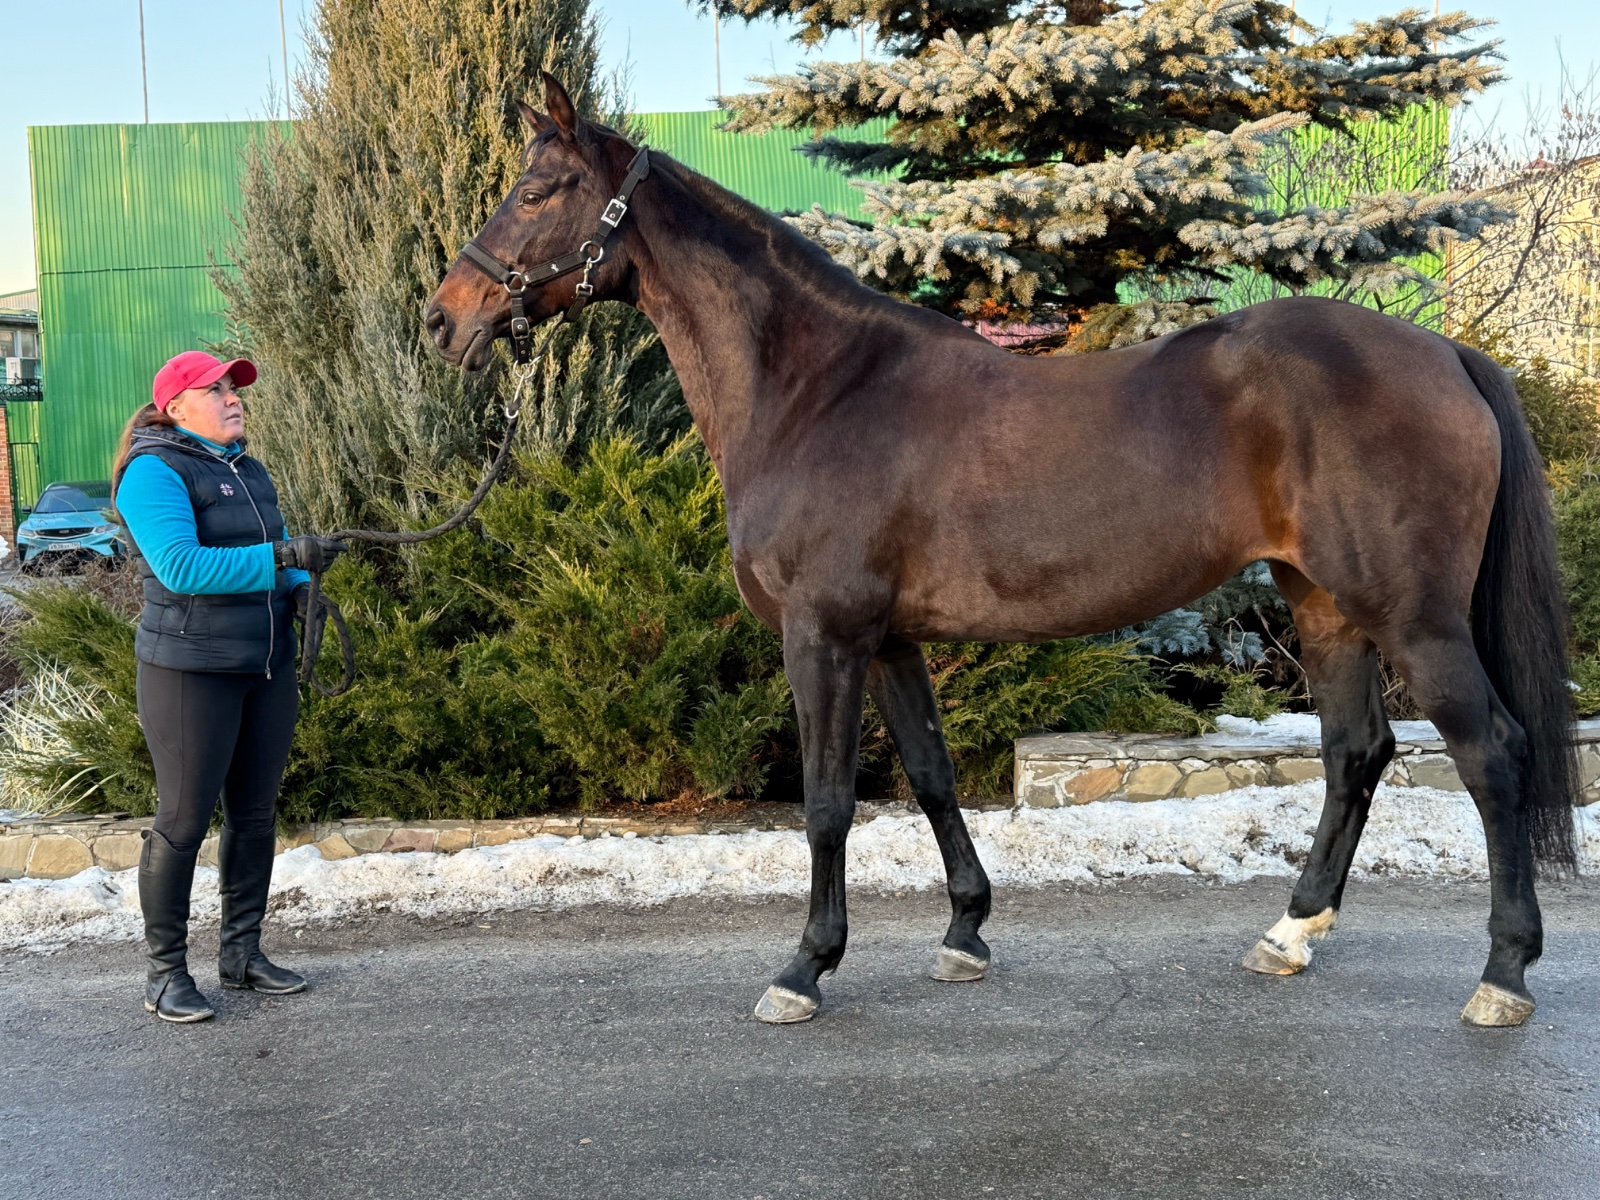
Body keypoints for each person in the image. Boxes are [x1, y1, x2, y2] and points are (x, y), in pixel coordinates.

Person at [112, 350, 347, 1023]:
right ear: (176, 407)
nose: (233, 398)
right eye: (215, 389)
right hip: (191, 674)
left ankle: (242, 955)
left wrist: (298, 588)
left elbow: (277, 545)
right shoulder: (152, 471)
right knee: (183, 822)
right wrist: (283, 558)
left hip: (264, 666)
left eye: (233, 388)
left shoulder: (248, 469)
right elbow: (182, 568)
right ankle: (165, 976)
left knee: (255, 814)